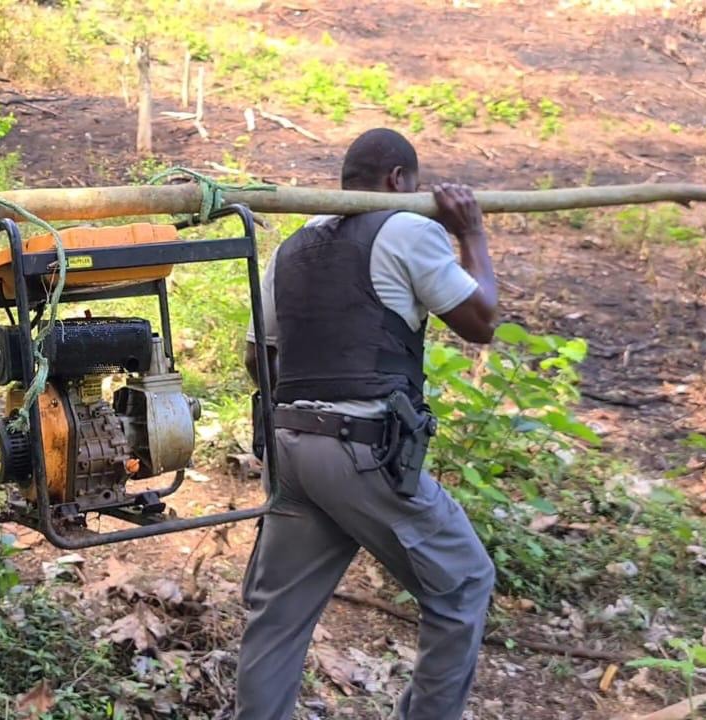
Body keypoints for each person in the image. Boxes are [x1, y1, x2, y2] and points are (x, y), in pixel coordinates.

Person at [234, 128, 499, 720]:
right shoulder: (409, 230)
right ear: (399, 182)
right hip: (361, 453)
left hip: (292, 447)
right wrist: (472, 233)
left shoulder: (295, 244)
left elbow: (259, 355)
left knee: (276, 615)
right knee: (462, 584)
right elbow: (481, 321)